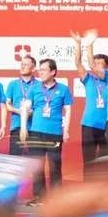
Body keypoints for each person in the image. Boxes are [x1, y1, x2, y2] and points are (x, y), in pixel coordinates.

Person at [21, 58, 73, 205]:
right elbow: (25, 108)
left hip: (54, 133)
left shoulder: (63, 89)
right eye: (40, 69)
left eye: (44, 70)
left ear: (53, 72)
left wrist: (66, 130)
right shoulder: (35, 88)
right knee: (37, 166)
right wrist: (24, 127)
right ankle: (39, 196)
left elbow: (68, 110)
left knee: (54, 166)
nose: (40, 72)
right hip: (36, 132)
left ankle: (56, 198)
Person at [72, 29, 108, 167]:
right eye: (95, 63)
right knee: (88, 162)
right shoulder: (89, 79)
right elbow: (78, 63)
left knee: (106, 164)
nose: (96, 66)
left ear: (107, 67)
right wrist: (78, 43)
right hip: (89, 125)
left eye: (100, 64)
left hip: (107, 126)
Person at [4, 55, 38, 156]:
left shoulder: (39, 85)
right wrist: (20, 112)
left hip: (34, 127)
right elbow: (7, 105)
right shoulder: (13, 84)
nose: (22, 67)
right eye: (22, 64)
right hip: (17, 126)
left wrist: (31, 112)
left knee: (34, 159)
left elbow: (40, 106)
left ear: (33, 68)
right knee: (15, 158)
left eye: (26, 65)